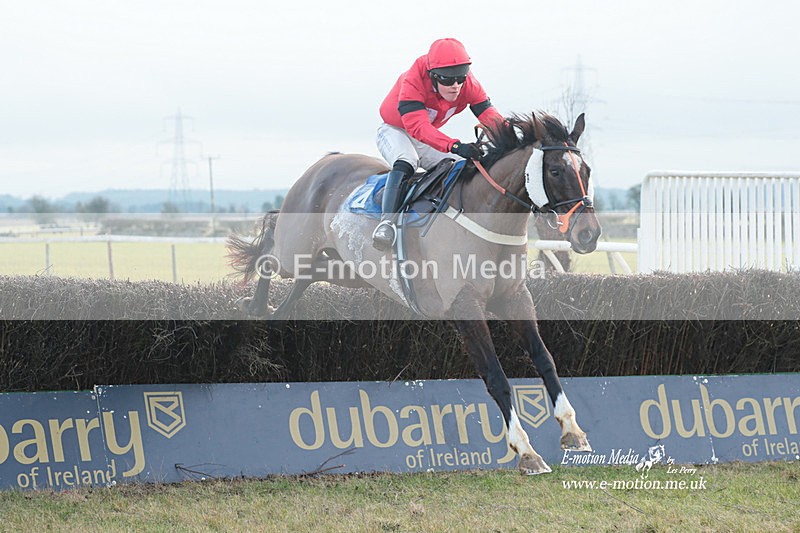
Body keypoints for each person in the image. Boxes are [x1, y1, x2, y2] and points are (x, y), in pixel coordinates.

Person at [372, 37, 505, 251]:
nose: (455, 86)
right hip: (395, 130)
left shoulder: (467, 83)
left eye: (460, 78)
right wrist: (454, 145)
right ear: (432, 76)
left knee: (463, 164)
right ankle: (386, 224)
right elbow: (417, 128)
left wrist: (512, 136)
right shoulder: (413, 80)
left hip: (426, 134)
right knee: (407, 160)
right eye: (447, 80)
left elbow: (489, 115)